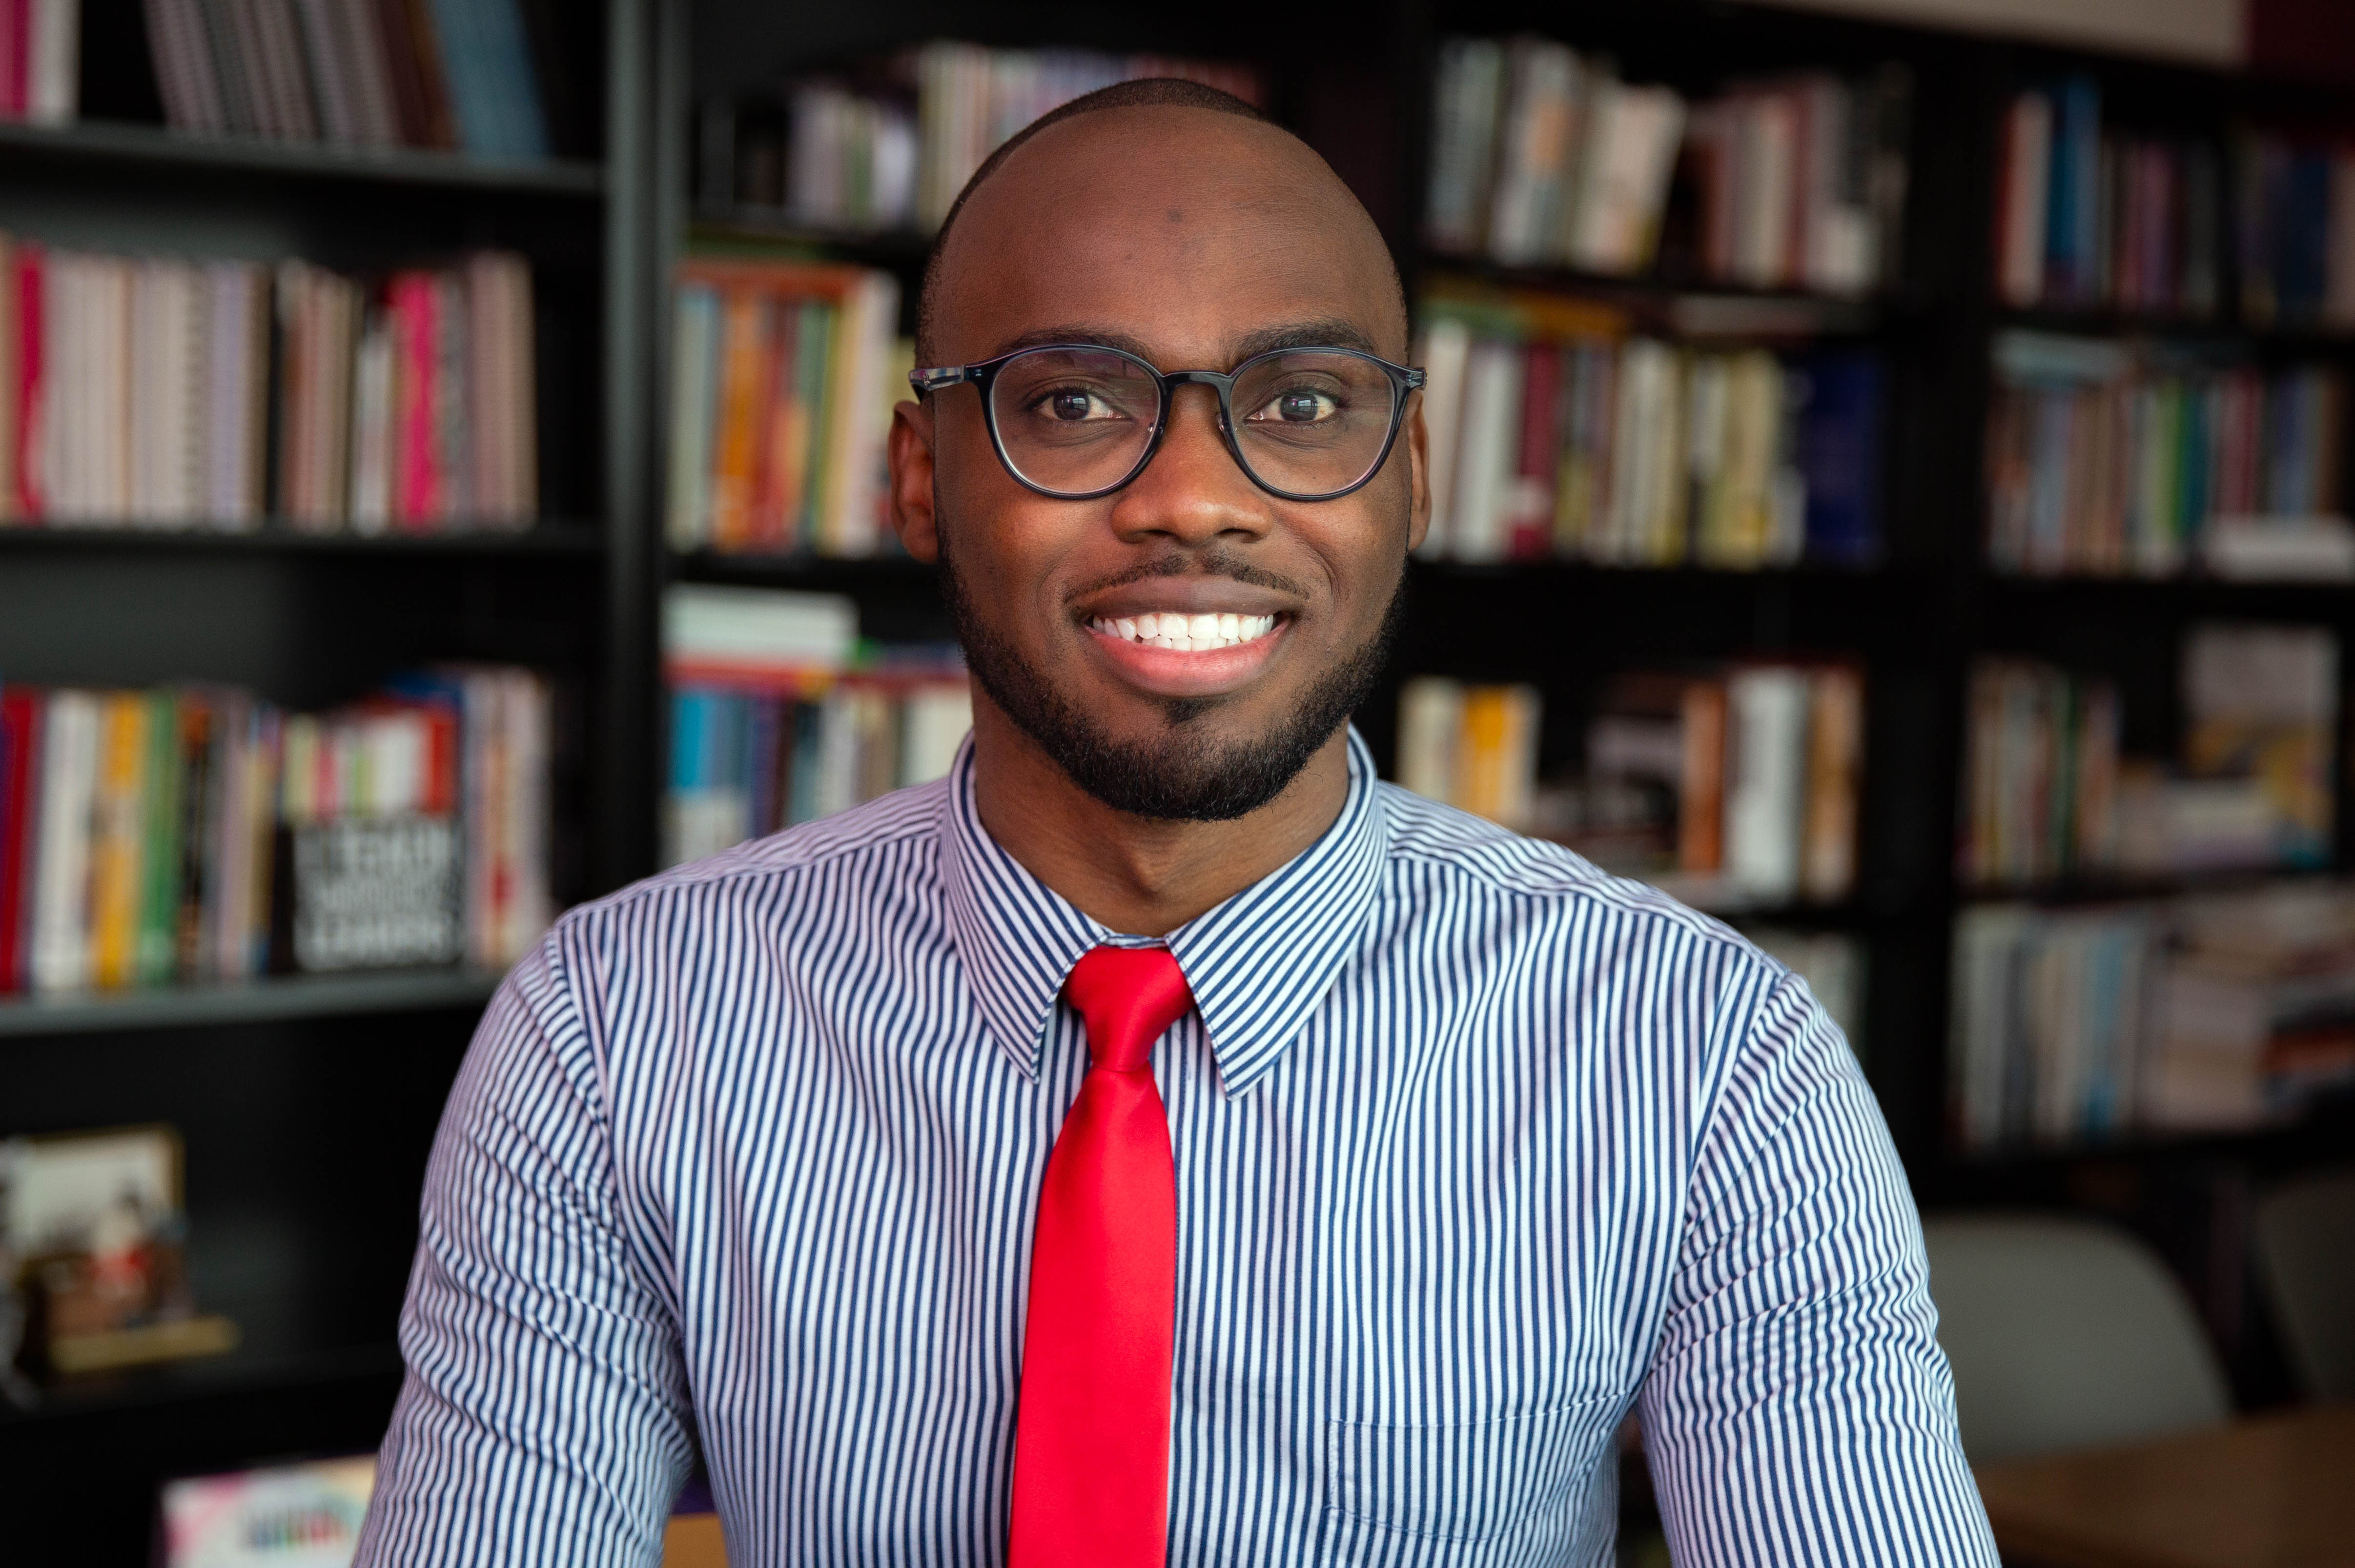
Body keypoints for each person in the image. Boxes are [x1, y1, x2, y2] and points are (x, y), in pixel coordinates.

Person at [356, 80, 1997, 1567]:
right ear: (922, 476)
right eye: (1073, 403)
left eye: (1298, 404)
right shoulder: (615, 1030)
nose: (1193, 496)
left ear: (1410, 475)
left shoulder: (1704, 1052)